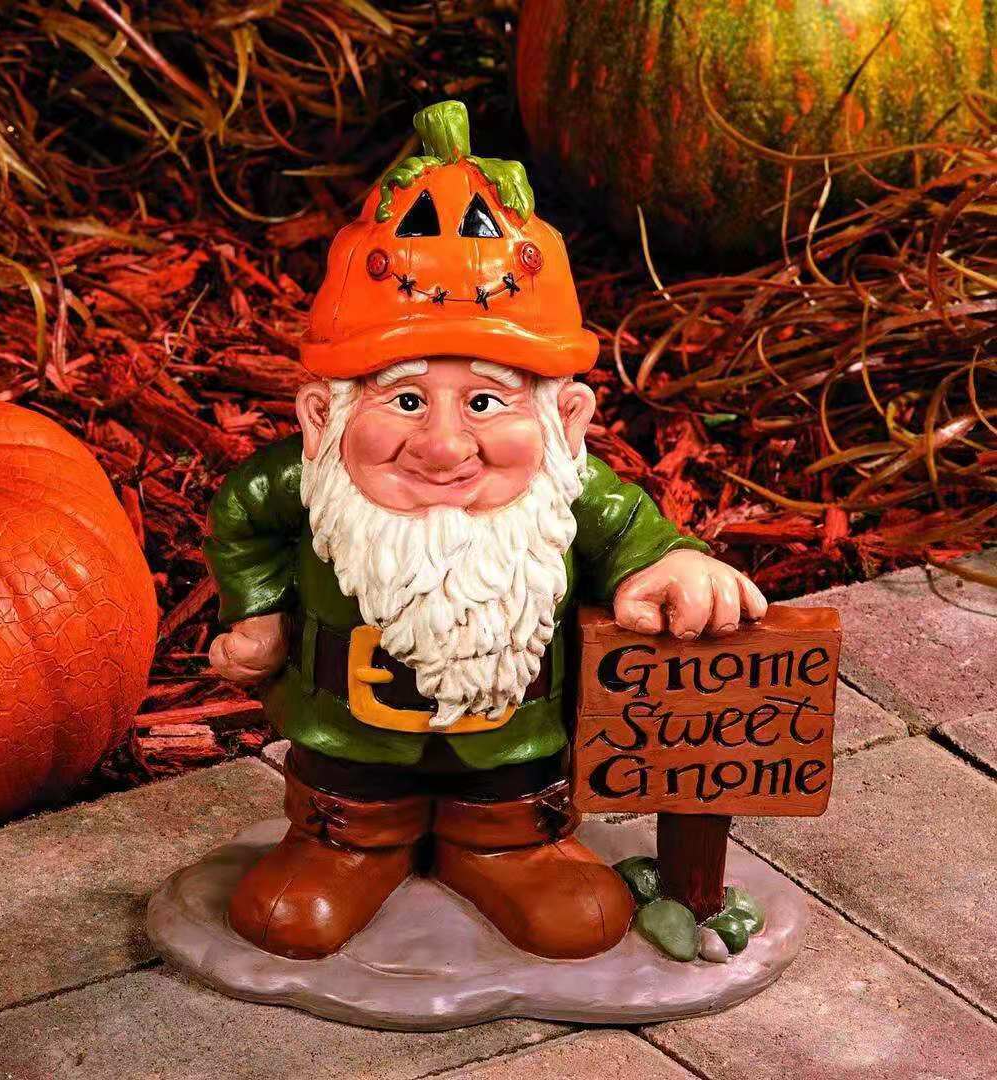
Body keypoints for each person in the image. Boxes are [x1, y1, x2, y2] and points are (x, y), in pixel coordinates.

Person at [205, 101, 767, 961]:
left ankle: (509, 848)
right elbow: (244, 516)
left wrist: (670, 567)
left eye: (484, 401)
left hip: (516, 751)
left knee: (542, 858)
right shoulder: (309, 485)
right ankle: (343, 847)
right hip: (347, 746)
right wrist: (256, 611)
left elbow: (630, 533)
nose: (442, 446)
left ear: (564, 420)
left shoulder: (562, 493)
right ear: (322, 416)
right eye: (404, 399)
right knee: (336, 822)